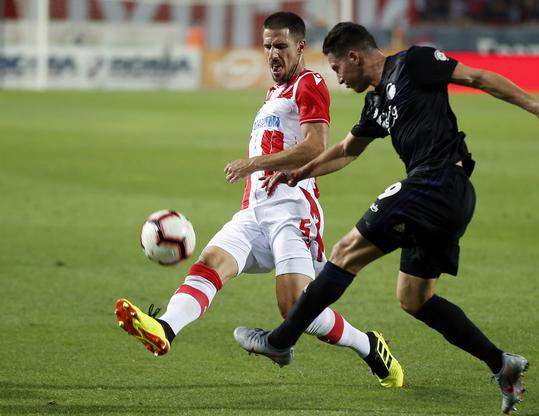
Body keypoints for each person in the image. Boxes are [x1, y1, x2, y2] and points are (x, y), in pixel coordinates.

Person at [234, 21, 539, 414]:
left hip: (438, 181)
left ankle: (280, 341)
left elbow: (480, 78)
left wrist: (537, 107)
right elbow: (348, 149)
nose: (338, 78)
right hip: (444, 199)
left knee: (347, 250)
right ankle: (501, 364)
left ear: (354, 56)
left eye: (337, 69)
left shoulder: (415, 62)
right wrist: (301, 172)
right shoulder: (376, 102)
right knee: (414, 299)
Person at [115, 12, 403, 389]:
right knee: (210, 263)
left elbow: (316, 146)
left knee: (294, 311)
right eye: (267, 46)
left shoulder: (309, 82)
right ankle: (166, 328)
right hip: (253, 212)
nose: (272, 54)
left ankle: (368, 345)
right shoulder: (273, 95)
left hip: (293, 211)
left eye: (280, 46)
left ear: (299, 47)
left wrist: (254, 163)